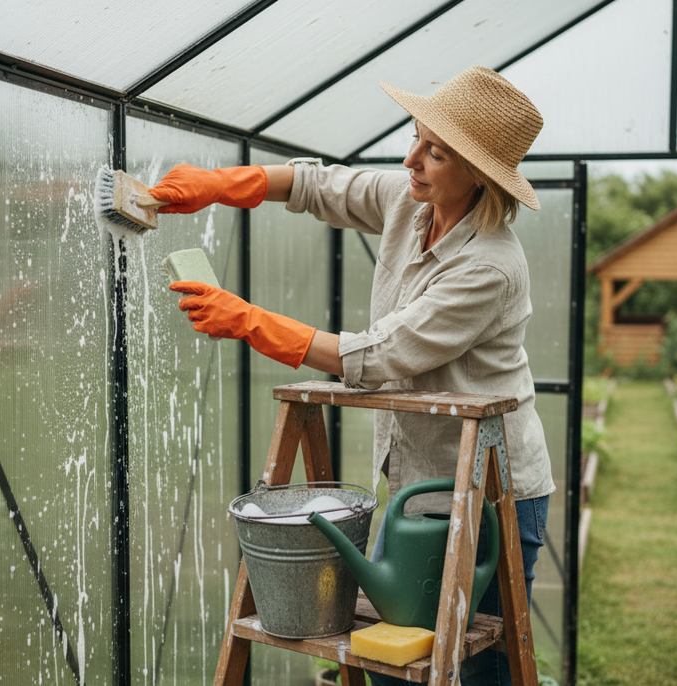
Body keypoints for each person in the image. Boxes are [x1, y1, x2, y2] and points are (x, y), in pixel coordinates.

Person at [150, 66, 554, 686]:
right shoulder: (411, 200)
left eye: (434, 152)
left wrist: (249, 320)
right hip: (420, 485)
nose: (410, 158)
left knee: (477, 671)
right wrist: (224, 183)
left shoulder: (489, 266)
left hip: (489, 491)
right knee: (399, 658)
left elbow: (377, 358)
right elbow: (321, 186)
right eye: (416, 136)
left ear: (478, 174)